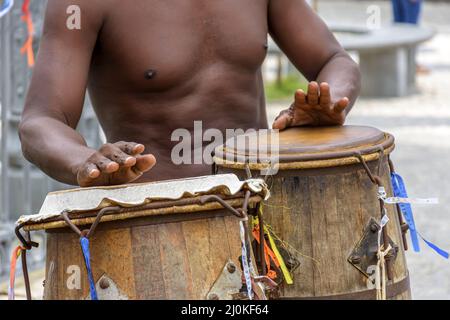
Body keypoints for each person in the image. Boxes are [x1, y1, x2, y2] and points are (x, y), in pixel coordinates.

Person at [19, 0, 361, 187]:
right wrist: (84, 162)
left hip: (264, 203)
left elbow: (335, 60)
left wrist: (330, 102)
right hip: (155, 217)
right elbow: (41, 121)